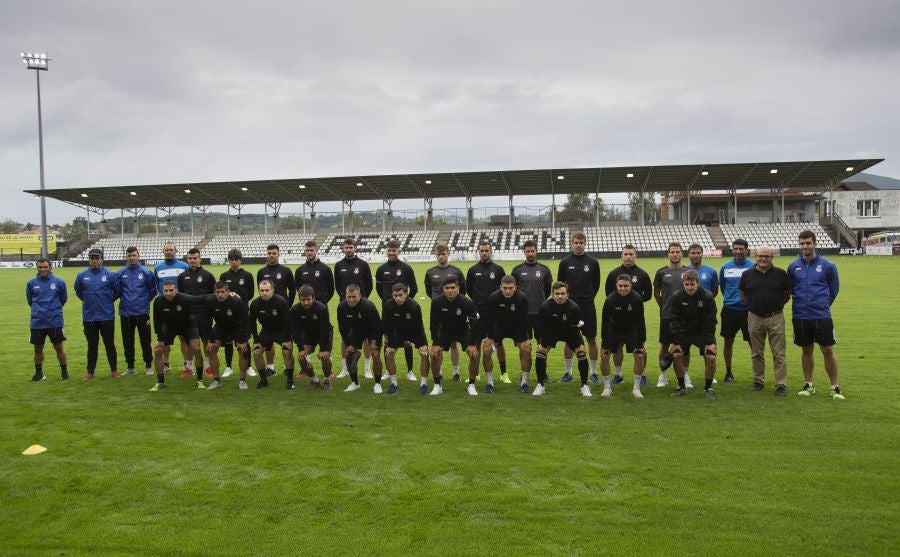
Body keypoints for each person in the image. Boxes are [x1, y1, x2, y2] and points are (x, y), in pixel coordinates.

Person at [788, 230, 844, 399]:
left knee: (827, 349)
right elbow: (791, 289)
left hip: (821, 315)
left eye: (808, 243)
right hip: (800, 316)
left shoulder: (828, 265)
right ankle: (809, 384)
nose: (805, 246)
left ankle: (835, 387)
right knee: (806, 350)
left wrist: (822, 305)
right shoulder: (793, 267)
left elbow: (834, 289)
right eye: (802, 243)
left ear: (815, 244)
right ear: (799, 244)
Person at [738, 245, 791, 396]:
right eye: (761, 256)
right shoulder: (747, 274)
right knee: (756, 352)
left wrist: (777, 305)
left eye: (767, 256)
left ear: (772, 258)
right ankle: (758, 381)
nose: (763, 259)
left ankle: (781, 384)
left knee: (779, 353)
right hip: (754, 317)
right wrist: (752, 306)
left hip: (775, 317)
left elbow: (786, 294)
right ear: (755, 256)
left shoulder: (781, 274)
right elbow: (743, 293)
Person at [603, 244, 652, 385]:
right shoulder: (613, 274)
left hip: (634, 320)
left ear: (636, 256)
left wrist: (634, 304)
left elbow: (648, 294)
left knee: (640, 347)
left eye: (631, 254)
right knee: (617, 347)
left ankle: (642, 375)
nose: (628, 257)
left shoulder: (642, 274)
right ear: (621, 256)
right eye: (626, 254)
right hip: (616, 320)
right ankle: (619, 375)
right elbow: (609, 295)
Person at [148, 280, 209, 391]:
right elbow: (157, 321)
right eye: (165, 291)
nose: (168, 293)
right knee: (157, 350)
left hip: (188, 324)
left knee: (196, 349)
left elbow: (202, 298)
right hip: (169, 326)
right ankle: (160, 382)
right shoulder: (158, 301)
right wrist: (160, 339)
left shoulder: (184, 298)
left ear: (176, 290)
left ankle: (199, 380)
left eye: (171, 290)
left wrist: (226, 294)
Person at [534, 282, 592, 397]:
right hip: (551, 332)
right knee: (540, 352)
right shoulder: (545, 308)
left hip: (570, 332)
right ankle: (540, 385)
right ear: (552, 294)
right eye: (557, 294)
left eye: (562, 293)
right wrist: (542, 344)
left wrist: (578, 346)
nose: (559, 296)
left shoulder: (574, 308)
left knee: (581, 353)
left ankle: (584, 386)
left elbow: (577, 329)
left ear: (567, 295)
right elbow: (541, 328)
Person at [556, 232, 601, 384]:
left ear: (585, 244)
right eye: (576, 242)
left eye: (581, 243)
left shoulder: (593, 262)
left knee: (591, 339)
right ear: (571, 243)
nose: (578, 245)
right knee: (569, 340)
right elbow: (560, 284)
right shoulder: (564, 262)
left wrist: (587, 297)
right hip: (570, 307)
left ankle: (594, 373)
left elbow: (596, 284)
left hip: (588, 305)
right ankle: (568, 372)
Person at [668, 270, 719, 399]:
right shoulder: (676, 297)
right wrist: (675, 342)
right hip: (683, 332)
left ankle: (708, 388)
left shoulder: (707, 297)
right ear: (683, 284)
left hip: (702, 332)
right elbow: (674, 320)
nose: (689, 287)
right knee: (677, 355)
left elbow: (711, 321)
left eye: (692, 284)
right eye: (687, 284)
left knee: (711, 358)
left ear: (698, 283)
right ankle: (681, 386)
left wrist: (709, 342)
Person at [375, 239, 419, 382]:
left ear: (399, 251)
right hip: (388, 312)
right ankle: (388, 371)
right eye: (389, 250)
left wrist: (405, 303)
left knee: (407, 340)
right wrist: (389, 304)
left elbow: (414, 288)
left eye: (394, 250)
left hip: (405, 312)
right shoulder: (381, 269)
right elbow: (378, 289)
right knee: (387, 339)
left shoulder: (406, 268)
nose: (391, 253)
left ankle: (410, 371)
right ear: (386, 251)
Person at [74, 248, 121, 380]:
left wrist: (106, 301)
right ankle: (90, 372)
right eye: (92, 258)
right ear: (89, 260)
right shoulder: (82, 275)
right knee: (92, 346)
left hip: (106, 316)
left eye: (97, 258)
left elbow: (117, 292)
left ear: (102, 259)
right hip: (89, 317)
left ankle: (114, 370)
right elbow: (78, 291)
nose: (94, 261)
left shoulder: (110, 275)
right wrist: (89, 300)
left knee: (109, 344)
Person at [429, 276, 479, 396]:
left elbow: (475, 324)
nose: (450, 290)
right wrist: (435, 343)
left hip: (462, 330)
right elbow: (433, 324)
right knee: (434, 354)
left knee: (474, 354)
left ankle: (471, 385)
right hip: (444, 331)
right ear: (443, 289)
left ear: (458, 288)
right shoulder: (436, 302)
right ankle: (437, 385)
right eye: (447, 288)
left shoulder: (467, 302)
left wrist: (472, 344)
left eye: (453, 287)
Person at [599, 274, 647, 398]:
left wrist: (641, 340)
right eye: (620, 286)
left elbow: (640, 320)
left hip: (631, 330)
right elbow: (604, 320)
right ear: (616, 286)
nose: (623, 288)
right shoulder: (610, 300)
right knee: (604, 356)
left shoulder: (636, 299)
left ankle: (636, 388)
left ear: (631, 285)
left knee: (640, 355)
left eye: (626, 286)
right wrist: (604, 340)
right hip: (613, 330)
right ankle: (607, 388)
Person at [423, 242, 466, 381]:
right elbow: (429, 291)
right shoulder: (430, 272)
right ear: (435, 255)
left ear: (448, 254)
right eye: (438, 254)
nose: (441, 257)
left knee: (454, 343)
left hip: (455, 312)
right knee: (439, 343)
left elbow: (463, 291)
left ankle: (455, 373)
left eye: (443, 254)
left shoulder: (457, 271)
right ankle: (439, 372)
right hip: (438, 312)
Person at [467, 241, 508, 383]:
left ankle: (504, 374)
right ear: (479, 252)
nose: (484, 253)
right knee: (476, 343)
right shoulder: (473, 270)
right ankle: (476, 373)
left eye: (486, 250)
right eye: (482, 251)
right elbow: (469, 290)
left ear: (491, 251)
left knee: (498, 343)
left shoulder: (498, 269)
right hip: (478, 312)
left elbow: (503, 289)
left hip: (496, 313)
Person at [482, 276, 531, 393]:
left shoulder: (522, 298)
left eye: (510, 288)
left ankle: (524, 383)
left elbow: (524, 320)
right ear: (500, 287)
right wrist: (489, 337)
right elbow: (489, 319)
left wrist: (525, 339)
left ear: (515, 287)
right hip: (498, 328)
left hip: (517, 328)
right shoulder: (493, 297)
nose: (507, 291)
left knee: (526, 350)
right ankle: (490, 383)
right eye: (505, 288)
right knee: (486, 350)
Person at [334, 237, 374, 378]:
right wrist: (345, 299)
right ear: (343, 249)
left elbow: (369, 285)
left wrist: (361, 299)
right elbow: (337, 285)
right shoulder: (338, 265)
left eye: (351, 247)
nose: (349, 249)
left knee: (365, 338)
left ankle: (367, 369)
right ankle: (345, 368)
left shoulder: (363, 265)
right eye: (346, 247)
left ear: (355, 248)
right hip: (345, 306)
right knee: (345, 337)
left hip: (361, 306)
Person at [256, 243, 296, 377]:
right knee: (268, 341)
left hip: (282, 311)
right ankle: (271, 367)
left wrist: (288, 305)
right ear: (266, 255)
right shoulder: (261, 272)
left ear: (278, 254)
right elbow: (260, 289)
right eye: (269, 253)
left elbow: (292, 289)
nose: (271, 256)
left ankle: (286, 367)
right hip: (267, 311)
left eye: (274, 253)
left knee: (285, 339)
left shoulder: (286, 271)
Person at [653, 242, 689, 388]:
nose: (675, 254)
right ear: (668, 254)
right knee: (664, 345)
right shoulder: (661, 272)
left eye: (677, 251)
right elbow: (656, 292)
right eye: (672, 252)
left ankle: (685, 375)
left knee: (684, 347)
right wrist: (664, 306)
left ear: (682, 253)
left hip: (685, 317)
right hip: (667, 316)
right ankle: (663, 375)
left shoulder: (688, 272)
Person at [381, 283, 428, 394]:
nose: (398, 298)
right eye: (395, 295)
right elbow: (388, 327)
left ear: (406, 294)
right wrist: (390, 345)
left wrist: (422, 345)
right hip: (397, 332)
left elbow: (419, 326)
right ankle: (394, 383)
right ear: (392, 295)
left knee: (425, 354)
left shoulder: (414, 306)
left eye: (400, 295)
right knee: (389, 354)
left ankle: (424, 384)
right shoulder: (388, 306)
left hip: (413, 331)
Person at [718, 238, 754, 382]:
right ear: (732, 249)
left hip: (749, 311)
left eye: (741, 249)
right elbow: (723, 287)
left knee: (753, 343)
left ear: (746, 250)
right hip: (730, 310)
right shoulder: (726, 267)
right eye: (736, 248)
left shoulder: (753, 267)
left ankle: (757, 374)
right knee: (728, 342)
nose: (738, 251)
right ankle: (728, 372)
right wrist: (731, 298)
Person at [26, 258, 68, 381]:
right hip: (37, 321)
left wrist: (53, 310)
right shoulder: (31, 283)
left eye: (45, 267)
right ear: (37, 268)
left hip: (54, 320)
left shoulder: (59, 282)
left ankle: (64, 372)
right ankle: (39, 373)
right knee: (37, 348)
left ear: (50, 268)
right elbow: (30, 301)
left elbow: (63, 299)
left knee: (59, 347)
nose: (43, 269)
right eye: (40, 267)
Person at [117, 246, 156, 376]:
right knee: (128, 341)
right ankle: (130, 367)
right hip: (126, 313)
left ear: (138, 256)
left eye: (134, 255)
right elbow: (117, 291)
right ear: (126, 257)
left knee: (145, 340)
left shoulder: (146, 272)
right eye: (129, 255)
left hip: (142, 312)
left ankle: (148, 366)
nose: (132, 258)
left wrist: (143, 301)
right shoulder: (120, 273)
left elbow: (152, 291)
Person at [286, 285, 334, 391]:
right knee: (301, 357)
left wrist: (323, 350)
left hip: (324, 334)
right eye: (303, 300)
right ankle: (314, 380)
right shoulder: (295, 310)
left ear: (314, 298)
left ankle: (327, 379)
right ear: (299, 299)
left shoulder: (321, 308)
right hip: (309, 335)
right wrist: (301, 349)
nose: (306, 302)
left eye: (308, 299)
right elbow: (295, 331)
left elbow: (324, 329)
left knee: (325, 357)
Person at [203, 282, 250, 390]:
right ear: (214, 292)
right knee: (210, 350)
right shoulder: (210, 302)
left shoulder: (236, 301)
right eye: (217, 292)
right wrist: (211, 340)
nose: (220, 294)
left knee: (243, 351)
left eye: (223, 292)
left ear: (228, 292)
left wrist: (243, 341)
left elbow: (244, 322)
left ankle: (243, 380)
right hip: (221, 327)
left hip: (237, 327)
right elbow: (207, 322)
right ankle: (216, 380)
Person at [177, 248, 216, 377]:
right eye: (190, 258)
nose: (192, 260)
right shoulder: (182, 276)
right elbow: (180, 295)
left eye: (195, 258)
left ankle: (208, 367)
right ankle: (188, 367)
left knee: (205, 339)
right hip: (188, 314)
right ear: (187, 259)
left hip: (204, 313)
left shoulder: (208, 275)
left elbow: (213, 295)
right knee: (189, 341)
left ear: (200, 258)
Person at [336, 284, 382, 392]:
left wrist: (376, 342)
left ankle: (377, 384)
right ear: (345, 296)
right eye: (349, 297)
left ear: (360, 295)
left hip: (371, 330)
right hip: (355, 331)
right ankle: (355, 383)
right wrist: (349, 343)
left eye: (354, 297)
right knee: (348, 354)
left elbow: (378, 326)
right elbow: (342, 328)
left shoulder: (369, 306)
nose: (351, 300)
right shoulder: (342, 307)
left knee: (375, 353)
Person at [249, 280, 294, 389]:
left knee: (286, 351)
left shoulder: (281, 301)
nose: (264, 293)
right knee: (256, 352)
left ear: (272, 290)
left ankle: (290, 381)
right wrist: (256, 340)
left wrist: (287, 339)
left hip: (282, 331)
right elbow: (252, 323)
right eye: (262, 290)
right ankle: (264, 380)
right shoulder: (255, 303)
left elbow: (289, 321)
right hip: (266, 331)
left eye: (267, 290)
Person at [511, 239, 552, 354]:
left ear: (536, 251)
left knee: (542, 344)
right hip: (523, 313)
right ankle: (525, 372)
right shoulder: (517, 270)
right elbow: (513, 291)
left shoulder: (545, 269)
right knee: (524, 346)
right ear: (524, 252)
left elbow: (548, 290)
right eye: (528, 251)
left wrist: (540, 300)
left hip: (540, 312)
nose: (530, 253)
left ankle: (541, 371)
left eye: (532, 251)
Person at [152, 241, 188, 372]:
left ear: (175, 251)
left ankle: (187, 364)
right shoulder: (158, 268)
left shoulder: (184, 266)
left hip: (180, 306)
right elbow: (157, 285)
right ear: (163, 251)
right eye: (166, 250)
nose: (168, 252)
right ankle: (166, 364)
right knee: (165, 337)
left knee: (184, 337)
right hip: (164, 307)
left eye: (171, 250)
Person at [219, 248, 254, 378]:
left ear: (240, 260)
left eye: (237, 260)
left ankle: (249, 366)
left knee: (245, 340)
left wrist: (240, 301)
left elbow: (250, 293)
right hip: (227, 313)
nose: (234, 262)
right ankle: (228, 367)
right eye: (232, 260)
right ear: (229, 261)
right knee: (228, 340)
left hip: (243, 312)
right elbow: (221, 292)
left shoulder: (247, 275)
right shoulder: (224, 276)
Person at [294, 240, 334, 304]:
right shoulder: (299, 270)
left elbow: (331, 289)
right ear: (305, 251)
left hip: (321, 305)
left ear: (316, 250)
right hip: (306, 305)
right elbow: (298, 288)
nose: (309, 252)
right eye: (307, 250)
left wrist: (323, 301)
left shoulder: (325, 268)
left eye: (311, 250)